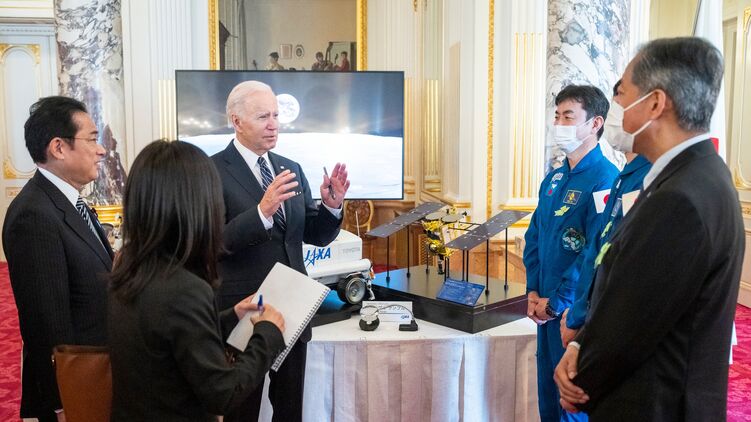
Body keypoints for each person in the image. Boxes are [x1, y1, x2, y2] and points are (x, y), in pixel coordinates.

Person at [554, 37, 745, 421]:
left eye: (623, 93)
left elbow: (631, 324)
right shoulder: (698, 173)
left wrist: (580, 377)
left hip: (653, 404)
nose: (617, 107)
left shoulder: (680, 198)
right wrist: (578, 346)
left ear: (655, 103)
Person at [108, 140, 286, 421]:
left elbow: (169, 337)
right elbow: (223, 394)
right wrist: (267, 333)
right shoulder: (185, 289)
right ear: (196, 206)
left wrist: (230, 317)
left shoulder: (129, 268)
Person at [212, 80, 349, 421]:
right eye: (263, 117)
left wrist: (331, 207)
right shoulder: (212, 171)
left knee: (290, 410)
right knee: (242, 411)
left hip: (294, 309)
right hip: (245, 310)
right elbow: (213, 243)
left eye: (275, 115)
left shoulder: (291, 168)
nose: (273, 124)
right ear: (236, 121)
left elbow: (314, 234)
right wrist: (261, 212)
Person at [2, 96, 114, 422]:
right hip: (75, 389)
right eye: (92, 139)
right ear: (59, 148)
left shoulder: (68, 202)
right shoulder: (34, 215)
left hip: (96, 371)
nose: (102, 150)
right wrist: (62, 403)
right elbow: (45, 323)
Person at [523, 84, 618, 422]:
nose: (558, 124)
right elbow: (535, 236)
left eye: (568, 117)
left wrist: (558, 302)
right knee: (548, 398)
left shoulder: (606, 179)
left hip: (571, 313)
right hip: (543, 306)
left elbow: (595, 251)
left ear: (595, 124)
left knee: (570, 401)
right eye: (557, 116)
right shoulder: (554, 178)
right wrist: (533, 291)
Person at [559, 81, 652, 347]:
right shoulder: (624, 177)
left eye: (621, 100)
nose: (615, 113)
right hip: (582, 307)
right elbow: (599, 248)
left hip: (603, 318)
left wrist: (577, 315)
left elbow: (619, 259)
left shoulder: (645, 178)